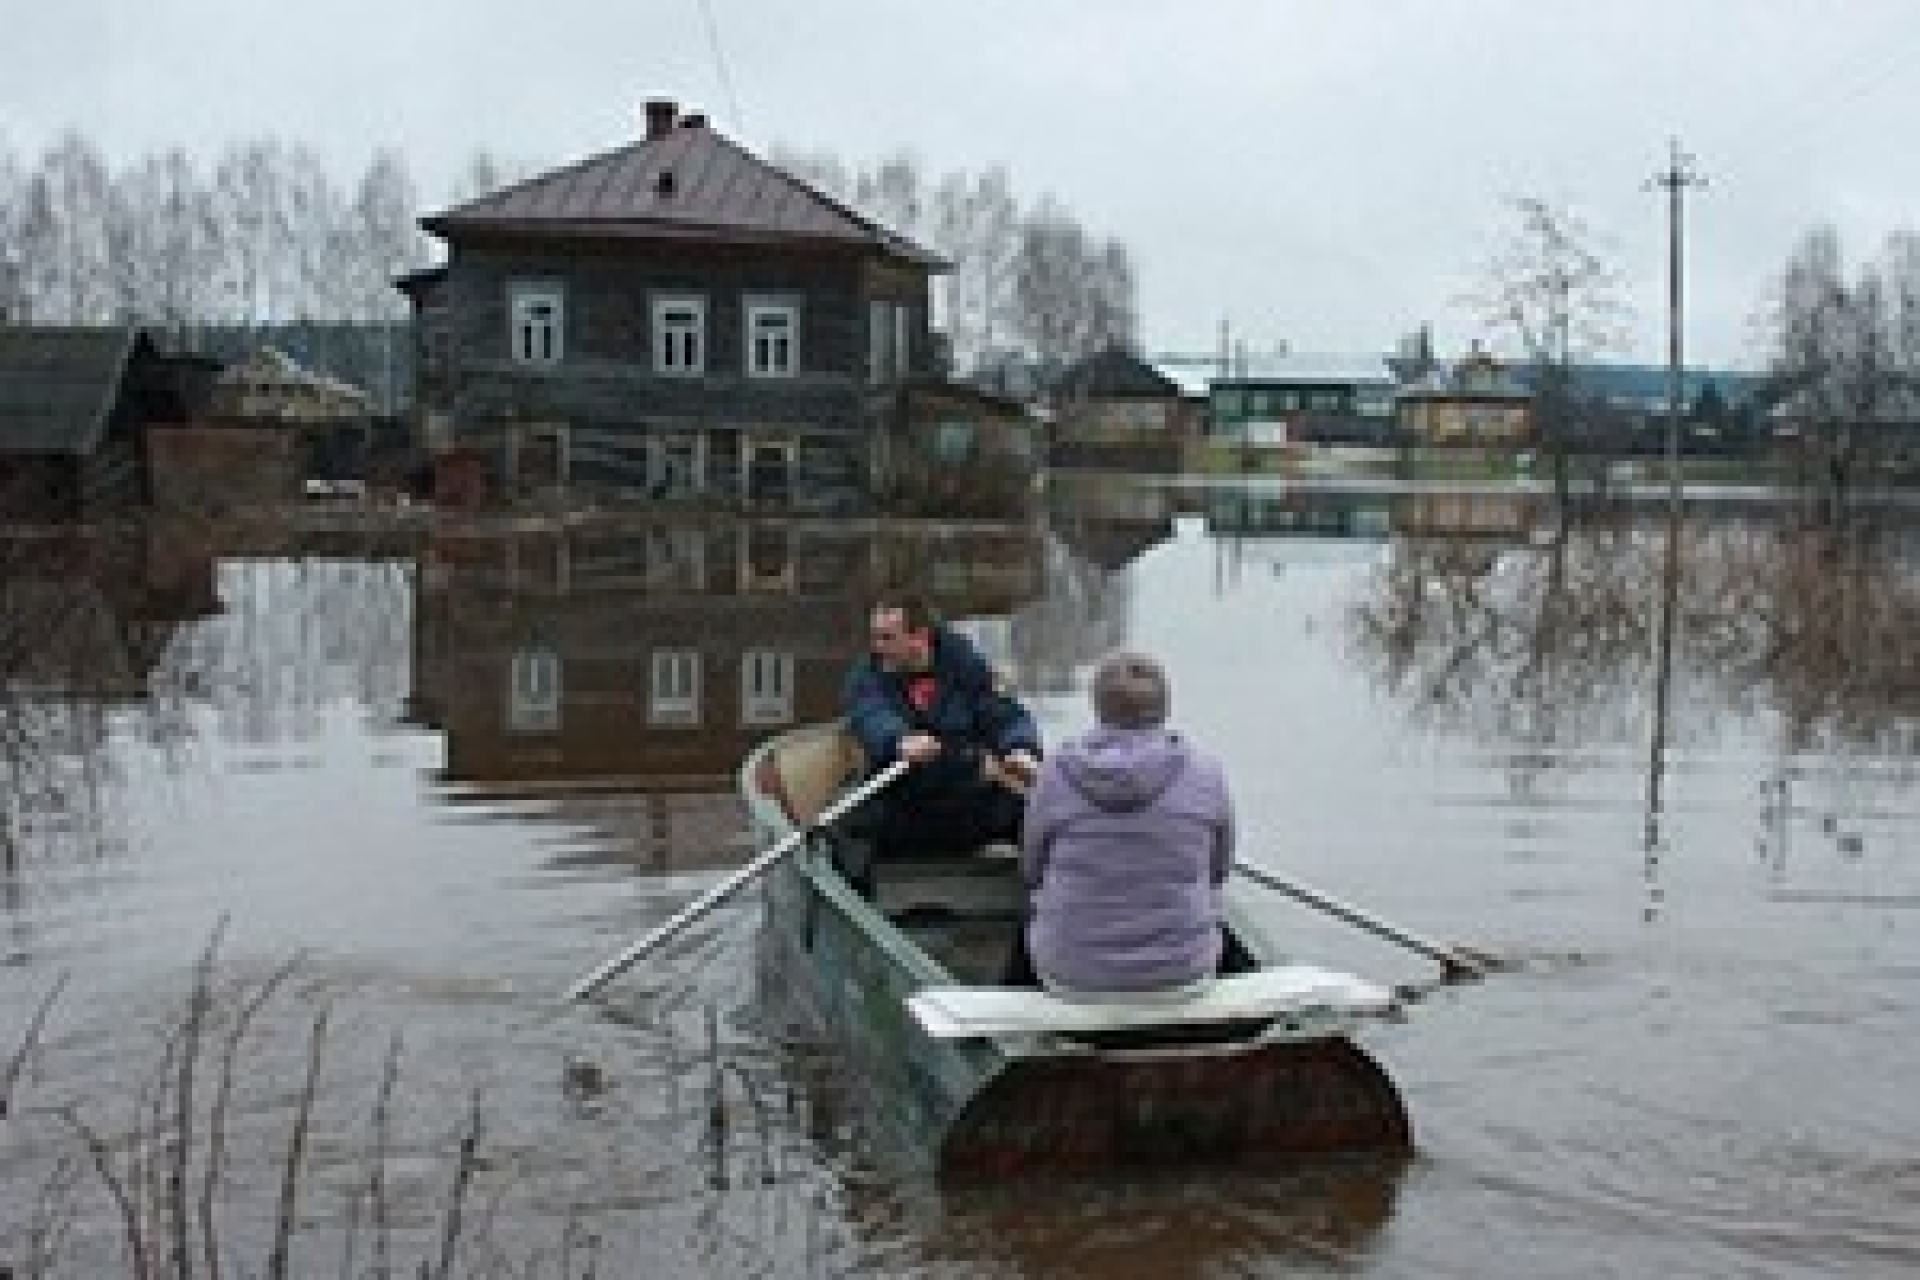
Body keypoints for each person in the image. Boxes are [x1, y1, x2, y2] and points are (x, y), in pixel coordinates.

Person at [1020, 650, 1234, 999]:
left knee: (1032, 908)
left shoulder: (1056, 771)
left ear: (1097, 706)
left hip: (1074, 979)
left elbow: (1032, 869)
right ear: (1165, 706)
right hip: (1184, 976)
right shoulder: (1208, 772)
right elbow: (1218, 871)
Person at [842, 594, 1041, 870]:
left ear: (919, 636)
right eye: (875, 637)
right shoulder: (867, 674)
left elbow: (1003, 714)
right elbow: (870, 714)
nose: (877, 647)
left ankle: (1047, 900)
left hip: (965, 799)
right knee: (846, 825)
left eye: (887, 638)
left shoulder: (966, 665)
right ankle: (855, 898)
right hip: (902, 803)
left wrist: (1021, 749)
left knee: (1036, 813)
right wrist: (900, 740)